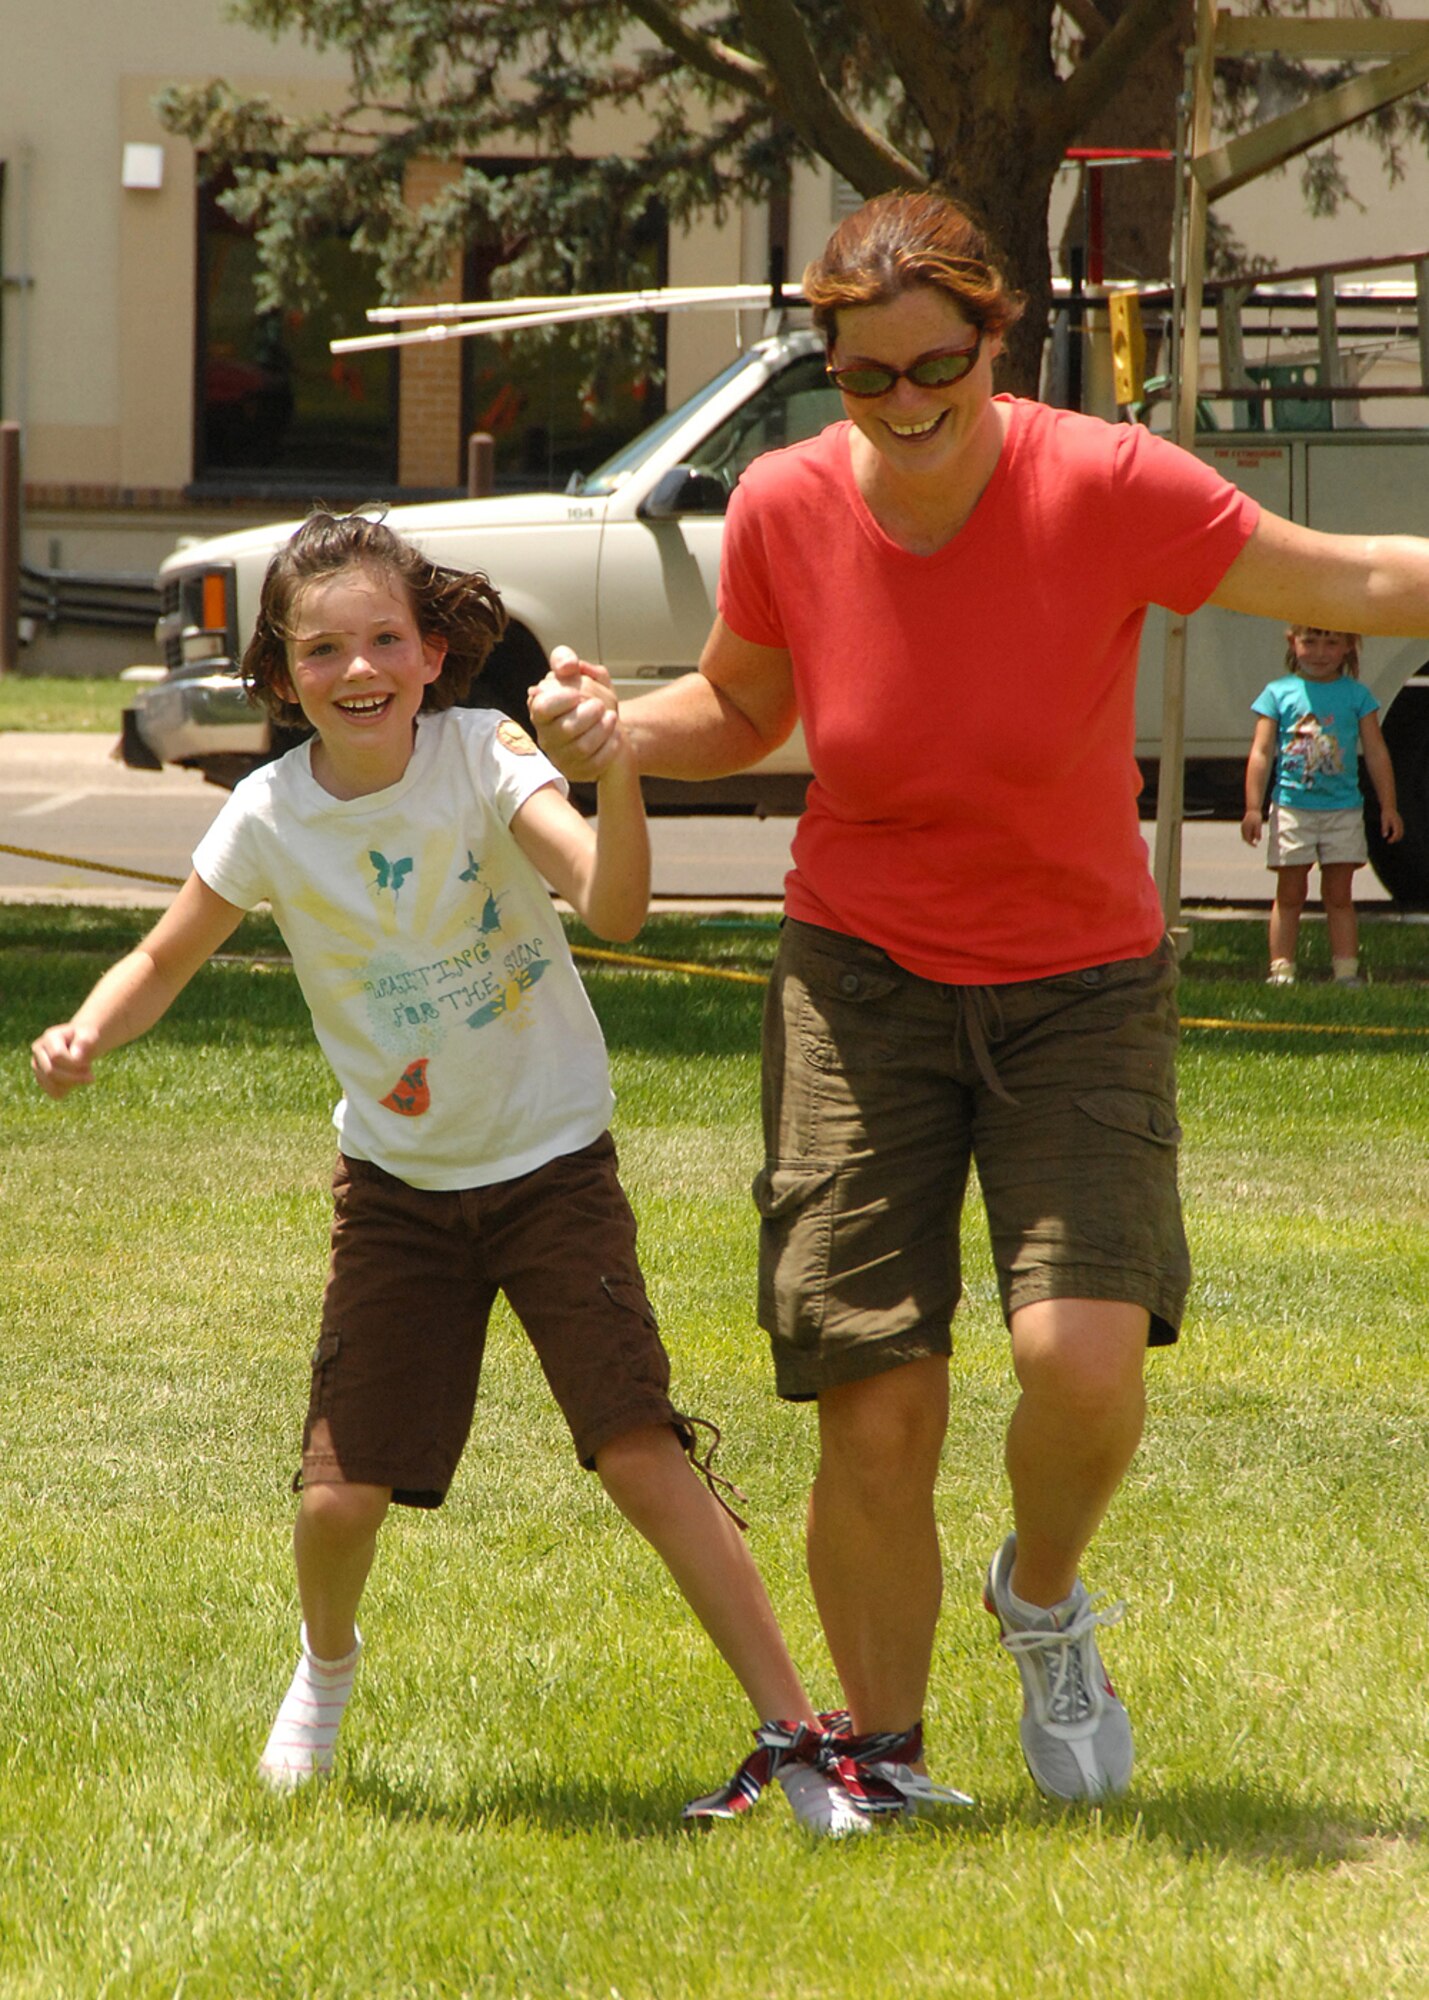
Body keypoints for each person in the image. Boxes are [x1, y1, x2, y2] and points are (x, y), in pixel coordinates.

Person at [529, 189, 1429, 1804]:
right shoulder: (786, 507)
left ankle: (1038, 1595)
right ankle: (876, 1762)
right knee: (872, 1394)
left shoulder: (1098, 480)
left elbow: (1355, 575)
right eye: (861, 376)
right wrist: (613, 738)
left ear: (996, 336)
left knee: (1080, 1361)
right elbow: (738, 712)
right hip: (855, 983)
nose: (901, 404)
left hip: (1076, 983)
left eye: (931, 363)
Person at [30, 510, 910, 1836]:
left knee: (637, 1449)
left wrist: (614, 773)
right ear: (282, 678)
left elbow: (611, 909)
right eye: (324, 647)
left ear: (434, 653)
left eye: (386, 636)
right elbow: (162, 956)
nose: (359, 664)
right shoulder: (267, 817)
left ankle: (794, 1735)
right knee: (338, 1494)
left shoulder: (484, 755)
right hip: (396, 1192)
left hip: (553, 1166)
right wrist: (91, 1026)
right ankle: (325, 1670)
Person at [1242, 625, 1403, 986]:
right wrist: (1254, 807)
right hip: (1291, 809)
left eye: (1331, 642)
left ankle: (1346, 971)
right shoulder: (1277, 693)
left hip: (1343, 811)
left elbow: (1376, 753)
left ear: (1349, 646)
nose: (1320, 652)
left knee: (1339, 894)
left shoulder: (1358, 696)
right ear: (1292, 642)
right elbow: (1261, 752)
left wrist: (1388, 805)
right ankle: (1281, 969)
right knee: (1289, 893)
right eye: (1310, 642)